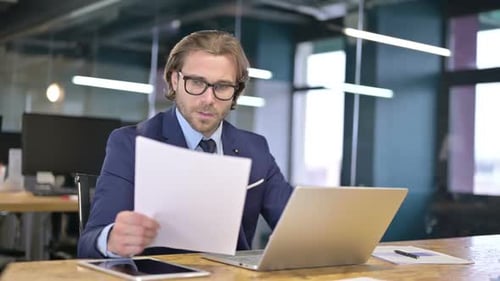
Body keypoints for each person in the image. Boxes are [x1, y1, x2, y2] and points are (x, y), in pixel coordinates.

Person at [77, 30, 293, 258]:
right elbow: (88, 244)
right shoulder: (131, 145)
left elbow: (294, 222)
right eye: (197, 82)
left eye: (222, 87)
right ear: (174, 79)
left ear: (235, 91)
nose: (208, 99)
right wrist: (111, 240)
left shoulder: (255, 149)